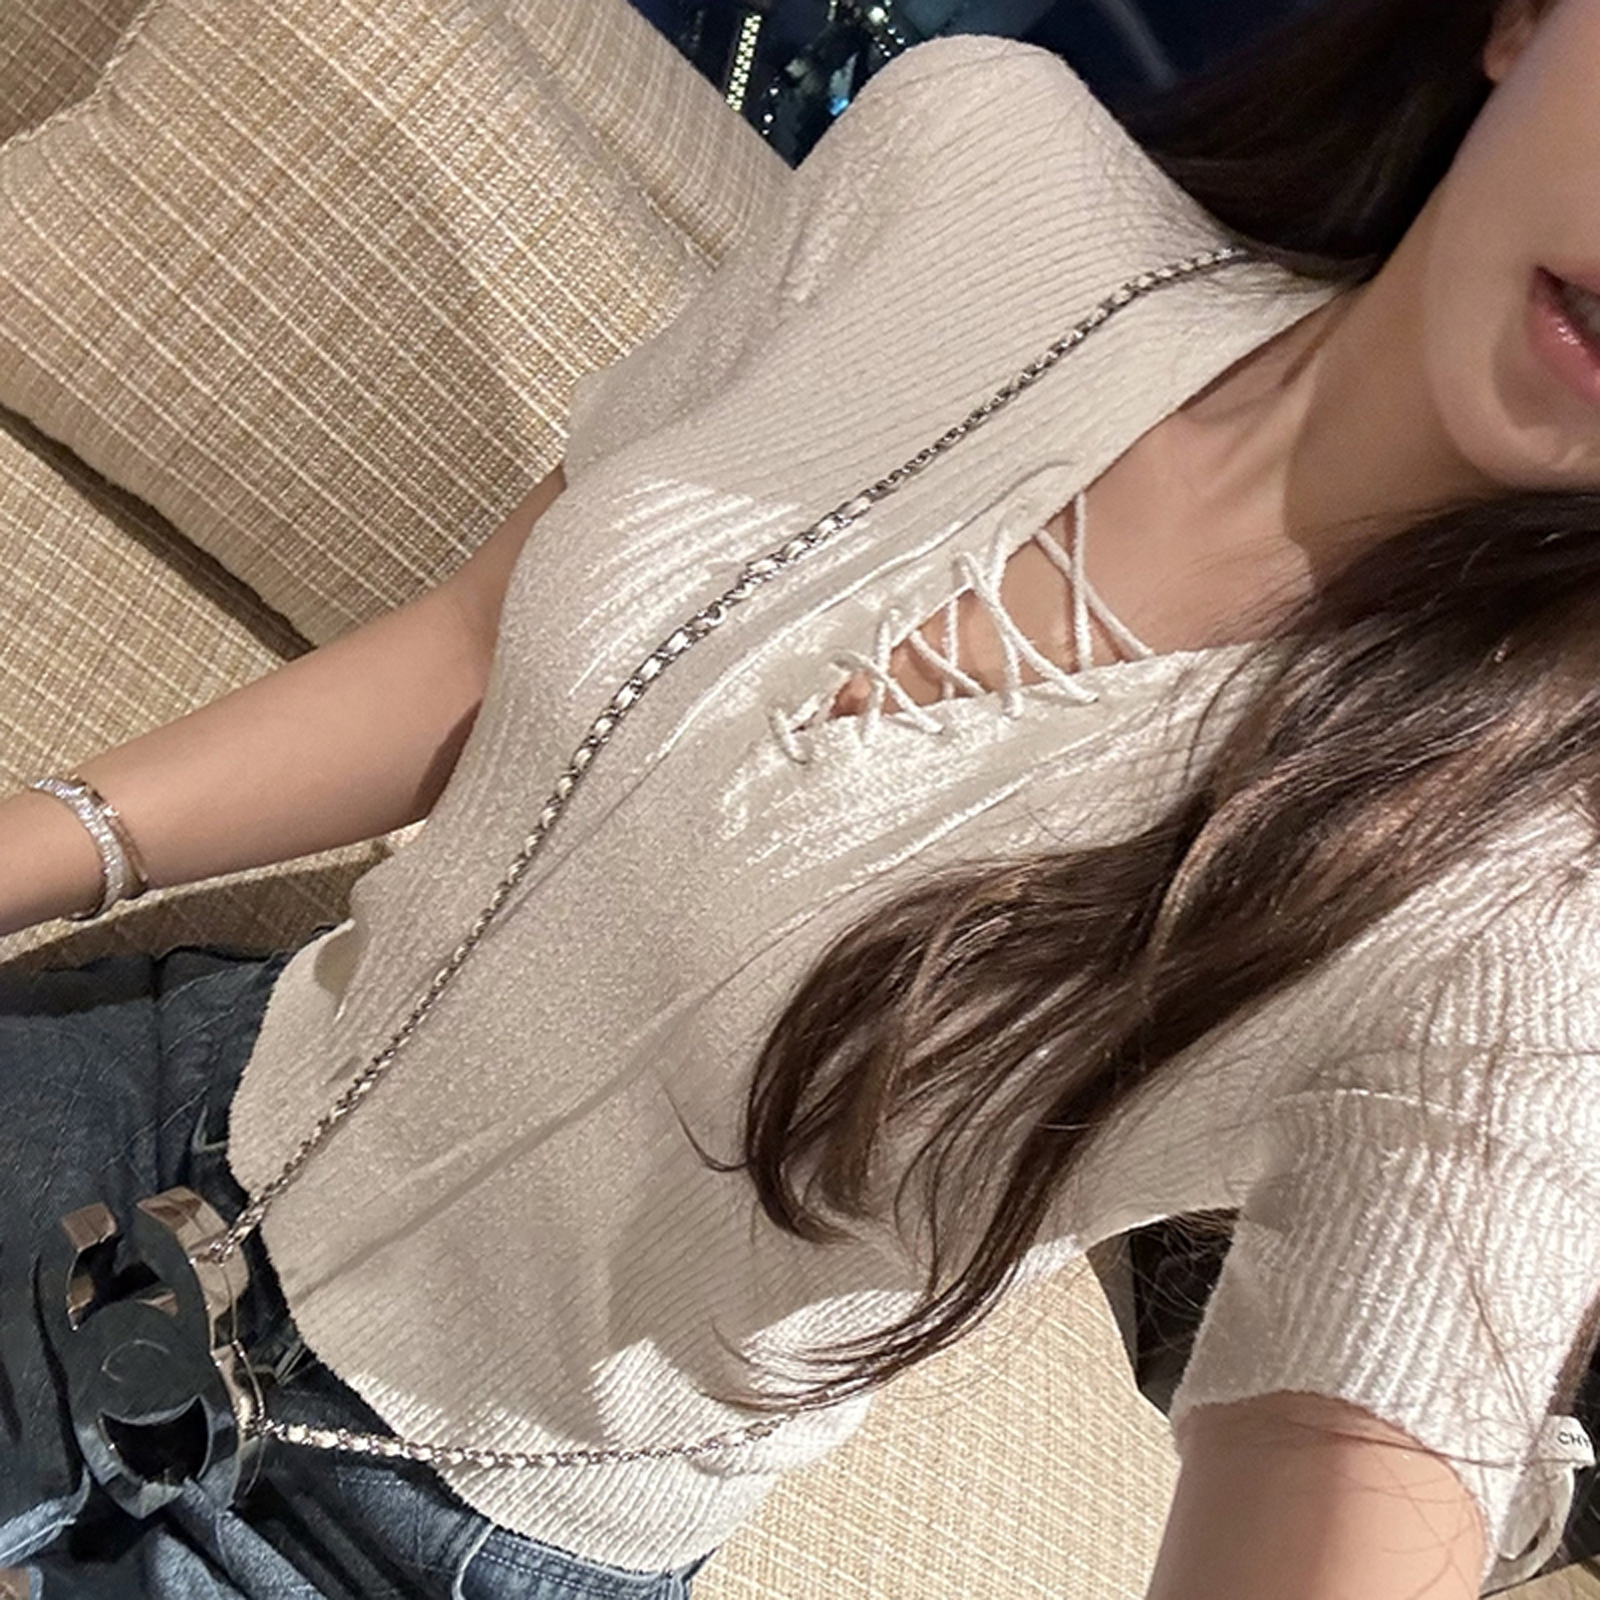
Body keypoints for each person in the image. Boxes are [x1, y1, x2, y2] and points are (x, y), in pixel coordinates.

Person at [1, 0, 1598, 1596]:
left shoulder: (1528, 911)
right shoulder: (978, 168)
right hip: (165, 1118)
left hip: (424, 1544)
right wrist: (41, 844)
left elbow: (1363, 1434)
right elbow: (481, 644)